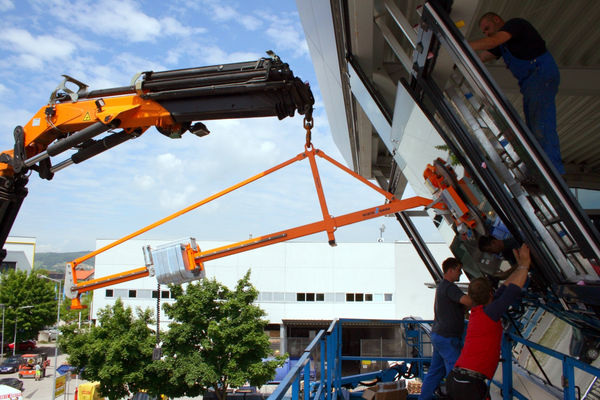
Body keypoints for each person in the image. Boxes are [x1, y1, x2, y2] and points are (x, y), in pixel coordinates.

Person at [470, 13, 565, 175]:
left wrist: (462, 44)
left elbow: (493, 41)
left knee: (540, 124)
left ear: (497, 20)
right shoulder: (502, 45)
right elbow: (484, 55)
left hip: (540, 74)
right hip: (530, 83)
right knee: (533, 127)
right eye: (484, 32)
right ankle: (542, 169)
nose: (486, 33)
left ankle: (554, 173)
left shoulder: (515, 25)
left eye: (487, 28)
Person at [446, 244, 531, 400]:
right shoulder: (490, 313)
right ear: (490, 294)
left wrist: (520, 267)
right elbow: (511, 290)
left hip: (458, 380)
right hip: (470, 385)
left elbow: (504, 289)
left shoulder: (479, 312)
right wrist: (525, 264)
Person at [419, 258, 472, 400]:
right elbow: (467, 301)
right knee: (455, 373)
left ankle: (423, 398)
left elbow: (458, 306)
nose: (460, 273)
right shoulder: (450, 287)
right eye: (458, 270)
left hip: (439, 336)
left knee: (435, 372)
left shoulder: (442, 287)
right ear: (450, 270)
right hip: (447, 338)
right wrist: (482, 297)